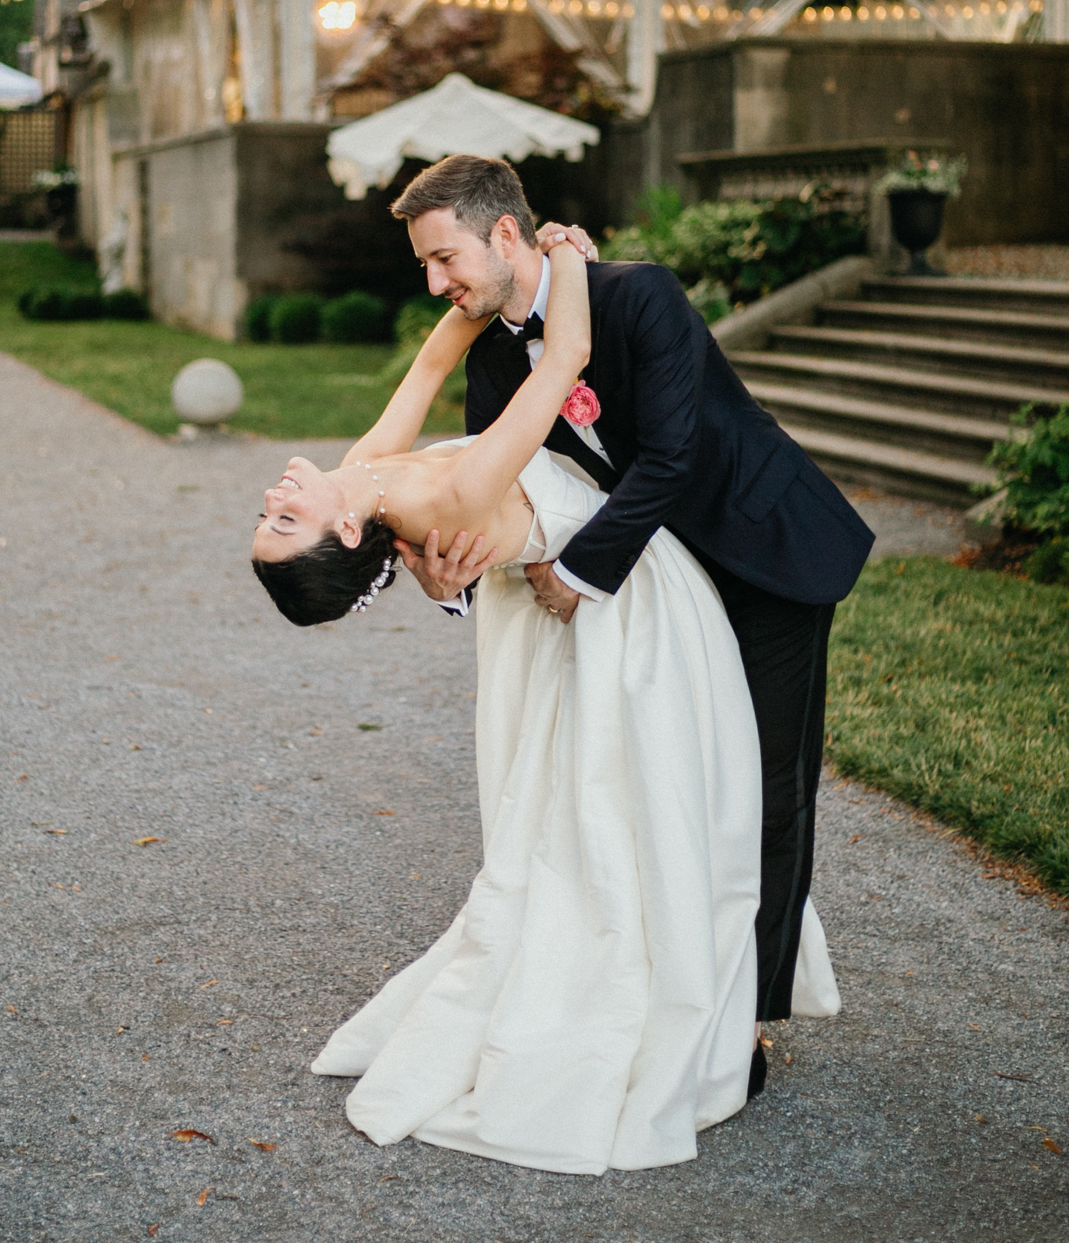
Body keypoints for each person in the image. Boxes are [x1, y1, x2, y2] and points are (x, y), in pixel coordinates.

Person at [251, 240, 840, 1174]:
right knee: (663, 815)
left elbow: (433, 358)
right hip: (630, 615)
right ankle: (692, 1006)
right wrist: (562, 260)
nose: (276, 497)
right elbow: (561, 364)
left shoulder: (366, 474)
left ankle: (727, 988)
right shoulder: (451, 490)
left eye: (269, 514)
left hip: (673, 558)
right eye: (286, 521)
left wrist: (484, 287)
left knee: (653, 810)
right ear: (350, 534)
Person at [388, 155, 873, 1096]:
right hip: (663, 585)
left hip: (765, 557)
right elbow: (496, 480)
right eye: (424, 267)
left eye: (444, 258)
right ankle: (673, 982)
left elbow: (674, 454)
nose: (438, 284)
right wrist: (445, 575)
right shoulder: (492, 354)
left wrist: (578, 569)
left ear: (502, 233)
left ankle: (742, 1022)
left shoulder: (639, 296)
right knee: (674, 789)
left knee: (765, 796)